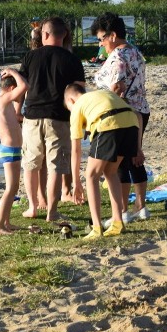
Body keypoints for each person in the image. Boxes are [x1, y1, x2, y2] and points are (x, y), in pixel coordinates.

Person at [19, 17, 85, 222]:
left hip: (32, 116)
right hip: (59, 118)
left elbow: (21, 86)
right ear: (64, 35)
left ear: (44, 34)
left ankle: (33, 206)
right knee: (56, 165)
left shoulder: (30, 56)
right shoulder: (72, 59)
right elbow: (79, 92)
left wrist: (16, 111)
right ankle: (52, 211)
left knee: (31, 163)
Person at [90, 12, 151, 224]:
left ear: (112, 35)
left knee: (120, 163)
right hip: (141, 109)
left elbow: (116, 88)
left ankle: (123, 211)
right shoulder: (135, 52)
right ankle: (141, 206)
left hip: (122, 113)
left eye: (101, 39)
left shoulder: (117, 58)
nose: (101, 44)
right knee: (135, 158)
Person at [64, 83, 140, 239]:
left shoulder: (77, 106)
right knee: (111, 172)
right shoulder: (100, 94)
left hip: (108, 123)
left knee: (91, 175)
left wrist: (77, 182)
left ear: (70, 101)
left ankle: (97, 227)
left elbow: (76, 150)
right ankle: (118, 222)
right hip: (131, 124)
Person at [0, 68, 28, 235]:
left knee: (13, 188)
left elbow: (13, 119)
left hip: (9, 149)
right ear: (12, 89)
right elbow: (24, 85)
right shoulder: (5, 98)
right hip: (9, 150)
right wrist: (13, 71)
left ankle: (6, 222)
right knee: (10, 188)